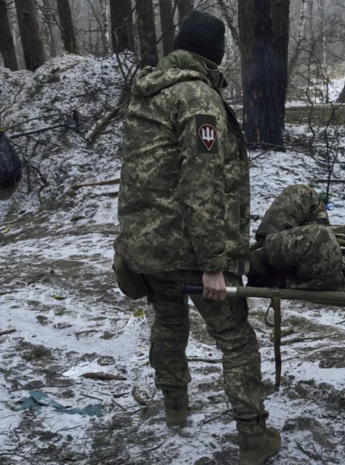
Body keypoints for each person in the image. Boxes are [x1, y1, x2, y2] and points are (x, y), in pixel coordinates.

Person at [113, 11, 280, 465]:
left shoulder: (148, 92)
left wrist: (128, 243)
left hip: (145, 246)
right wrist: (212, 263)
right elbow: (200, 185)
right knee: (235, 338)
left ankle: (175, 409)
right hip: (187, 249)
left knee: (169, 324)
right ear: (214, 54)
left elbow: (139, 176)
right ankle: (252, 438)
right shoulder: (197, 98)